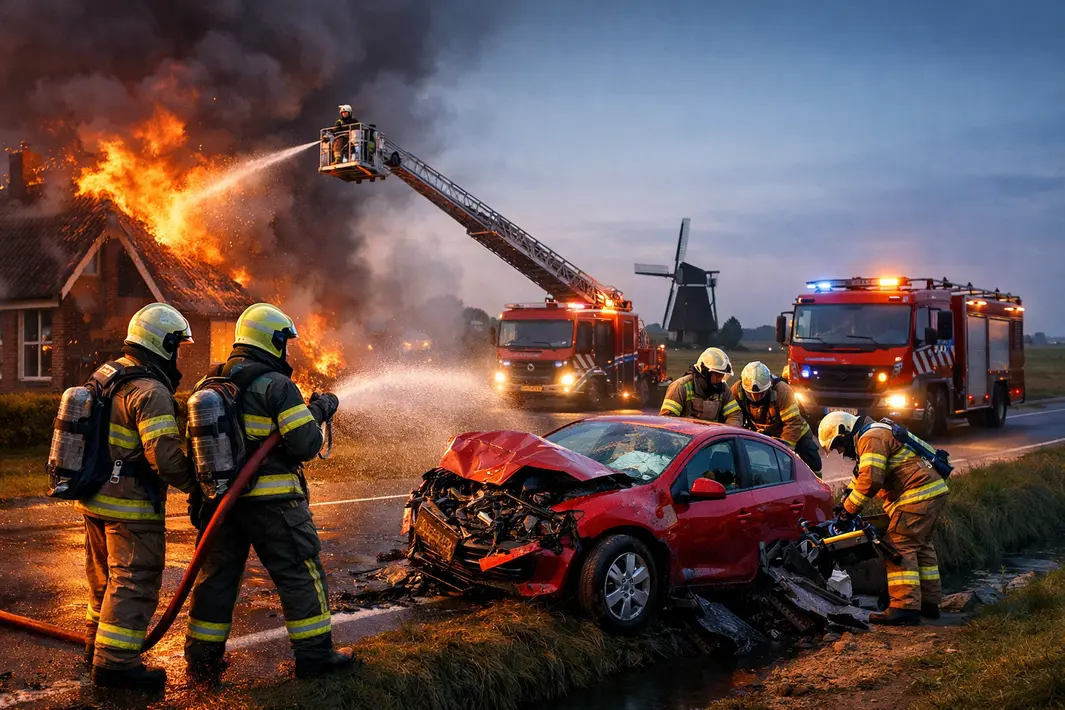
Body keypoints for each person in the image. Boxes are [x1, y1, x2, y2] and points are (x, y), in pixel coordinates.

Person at [184, 303, 353, 682]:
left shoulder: (207, 384)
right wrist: (319, 411)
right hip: (273, 504)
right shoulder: (277, 385)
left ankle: (202, 661)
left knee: (216, 579)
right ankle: (314, 657)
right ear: (272, 340)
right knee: (298, 571)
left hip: (221, 505)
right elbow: (306, 443)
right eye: (285, 341)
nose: (287, 350)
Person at [78, 303, 197, 691]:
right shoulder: (150, 391)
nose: (179, 354)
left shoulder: (108, 375)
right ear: (162, 343)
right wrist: (199, 485)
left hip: (95, 500)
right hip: (130, 507)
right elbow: (163, 456)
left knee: (105, 582)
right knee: (134, 581)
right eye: (177, 346)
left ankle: (96, 647)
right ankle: (116, 666)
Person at [818, 411, 950, 625]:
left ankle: (904, 608)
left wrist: (848, 512)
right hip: (932, 491)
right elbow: (861, 475)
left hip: (918, 494)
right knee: (921, 546)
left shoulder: (870, 438)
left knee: (898, 543)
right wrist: (845, 502)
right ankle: (929, 603)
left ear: (844, 431)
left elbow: (871, 481)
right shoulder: (874, 433)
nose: (841, 451)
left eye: (838, 445)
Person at [731, 361, 822, 476]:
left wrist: (784, 450)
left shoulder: (782, 391)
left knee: (812, 463)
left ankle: (819, 486)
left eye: (761, 393)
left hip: (796, 434)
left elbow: (793, 424)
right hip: (764, 433)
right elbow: (733, 416)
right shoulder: (737, 391)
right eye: (751, 394)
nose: (755, 397)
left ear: (769, 385)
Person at [660, 347, 742, 426]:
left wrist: (726, 432)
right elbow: (667, 419)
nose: (720, 379)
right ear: (705, 372)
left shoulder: (723, 389)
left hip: (712, 438)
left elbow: (735, 415)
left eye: (722, 376)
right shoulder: (680, 387)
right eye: (717, 375)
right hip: (685, 438)